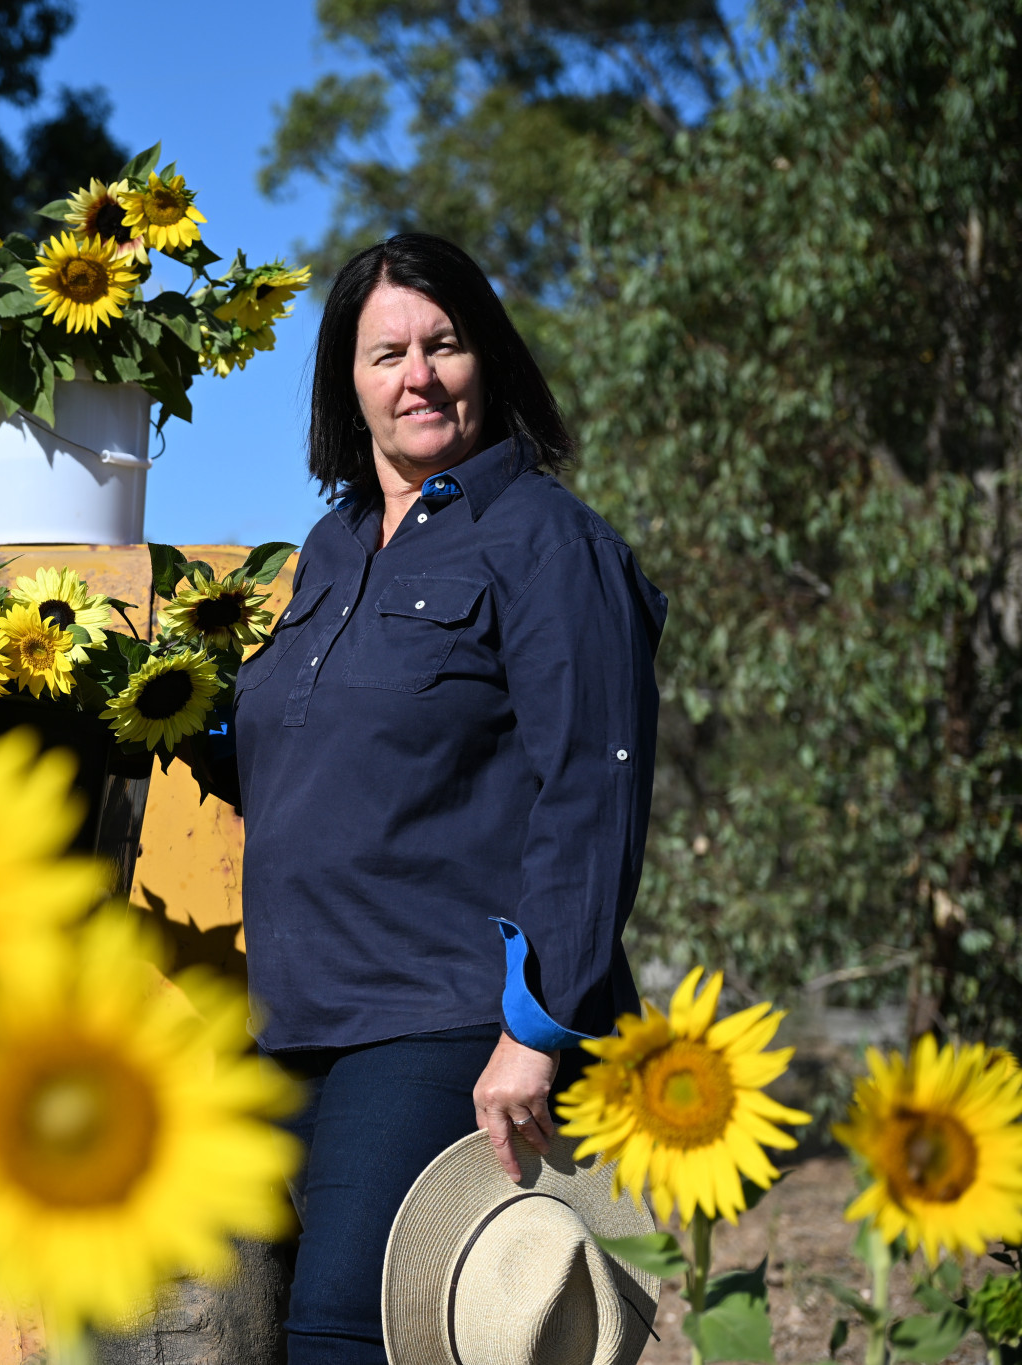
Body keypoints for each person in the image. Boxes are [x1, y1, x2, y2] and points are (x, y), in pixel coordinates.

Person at [231, 234, 666, 1364]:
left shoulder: (547, 542)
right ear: (348, 384)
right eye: (385, 354)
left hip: (445, 1013)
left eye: (444, 344)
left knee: (346, 1334)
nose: (416, 376)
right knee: (261, 1322)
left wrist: (533, 1030)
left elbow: (593, 787)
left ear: (488, 360)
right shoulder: (327, 552)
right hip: (294, 1022)